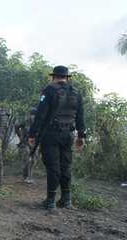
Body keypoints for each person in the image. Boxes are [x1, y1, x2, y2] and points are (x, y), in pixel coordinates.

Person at [28, 66, 86, 210]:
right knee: (66, 166)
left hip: (51, 135)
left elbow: (40, 115)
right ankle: (66, 200)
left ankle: (51, 201)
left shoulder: (48, 91)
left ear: (54, 77)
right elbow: (80, 117)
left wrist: (32, 134)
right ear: (67, 78)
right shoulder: (76, 93)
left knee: (53, 167)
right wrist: (81, 136)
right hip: (68, 135)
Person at [15, 107, 38, 184]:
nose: (33, 117)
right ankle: (25, 177)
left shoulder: (39, 122)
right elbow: (16, 126)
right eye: (32, 115)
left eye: (34, 115)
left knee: (34, 160)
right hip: (25, 142)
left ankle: (30, 176)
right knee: (27, 160)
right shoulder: (25, 121)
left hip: (35, 143)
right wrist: (20, 136)